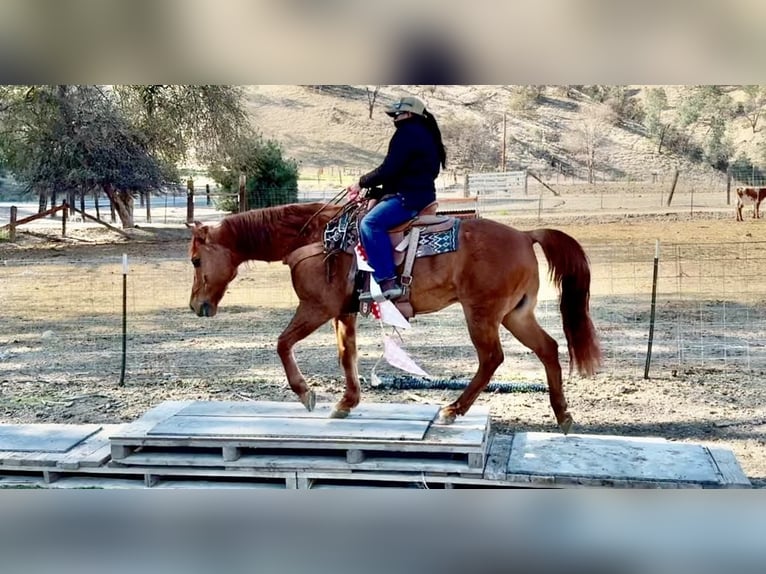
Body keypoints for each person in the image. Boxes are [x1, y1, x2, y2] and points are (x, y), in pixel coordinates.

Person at [347, 96, 447, 300]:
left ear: (410, 114)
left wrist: (361, 182)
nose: (395, 117)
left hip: (408, 198)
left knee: (369, 224)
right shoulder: (428, 135)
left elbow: (389, 169)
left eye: (398, 113)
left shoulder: (406, 133)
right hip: (420, 194)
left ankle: (386, 281)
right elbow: (407, 172)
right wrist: (377, 192)